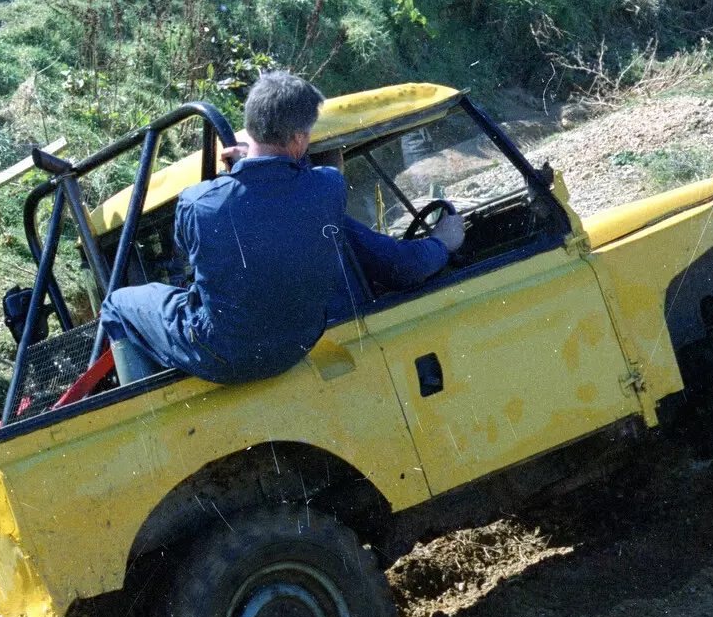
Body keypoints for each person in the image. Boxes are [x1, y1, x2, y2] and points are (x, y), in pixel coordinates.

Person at [97, 71, 465, 385]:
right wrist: (441, 243)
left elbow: (187, 247)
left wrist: (239, 174)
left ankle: (146, 408)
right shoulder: (327, 190)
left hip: (222, 356)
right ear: (300, 139)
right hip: (297, 346)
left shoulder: (197, 203)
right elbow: (400, 264)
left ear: (250, 125)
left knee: (116, 303)